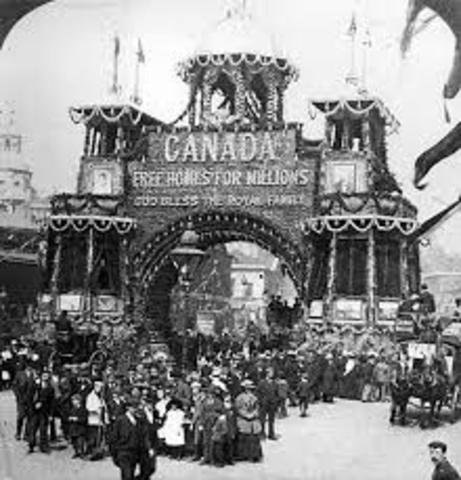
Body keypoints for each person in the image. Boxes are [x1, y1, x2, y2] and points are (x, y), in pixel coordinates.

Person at [110, 398, 152, 480]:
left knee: (131, 473)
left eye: (137, 407)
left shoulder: (139, 420)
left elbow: (143, 436)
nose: (136, 409)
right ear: (128, 408)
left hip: (134, 452)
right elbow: (114, 438)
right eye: (134, 407)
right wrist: (114, 454)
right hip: (123, 451)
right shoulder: (120, 420)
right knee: (127, 475)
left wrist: (147, 448)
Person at [234, 380, 263, 462]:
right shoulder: (239, 398)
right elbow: (238, 408)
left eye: (250, 389)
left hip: (253, 420)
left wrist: (254, 414)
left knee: (254, 438)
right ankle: (243, 455)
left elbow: (257, 407)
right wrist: (245, 415)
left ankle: (255, 455)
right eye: (247, 389)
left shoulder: (254, 397)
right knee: (243, 437)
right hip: (243, 419)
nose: (249, 390)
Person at [68, 394, 87, 458]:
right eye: (72, 400)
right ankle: (76, 452)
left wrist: (77, 419)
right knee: (74, 442)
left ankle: (82, 453)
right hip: (73, 428)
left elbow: (84, 419)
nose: (73, 402)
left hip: (80, 428)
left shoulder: (83, 409)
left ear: (79, 401)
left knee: (80, 442)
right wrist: (70, 418)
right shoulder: (72, 409)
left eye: (74, 400)